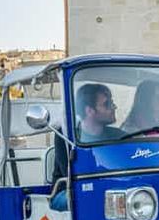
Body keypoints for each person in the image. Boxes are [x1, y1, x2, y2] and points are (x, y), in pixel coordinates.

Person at [50, 83, 123, 211]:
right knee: (86, 196)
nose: (114, 107)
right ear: (89, 111)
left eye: (112, 103)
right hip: (69, 189)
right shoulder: (65, 134)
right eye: (107, 104)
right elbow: (70, 173)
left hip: (110, 186)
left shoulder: (119, 135)